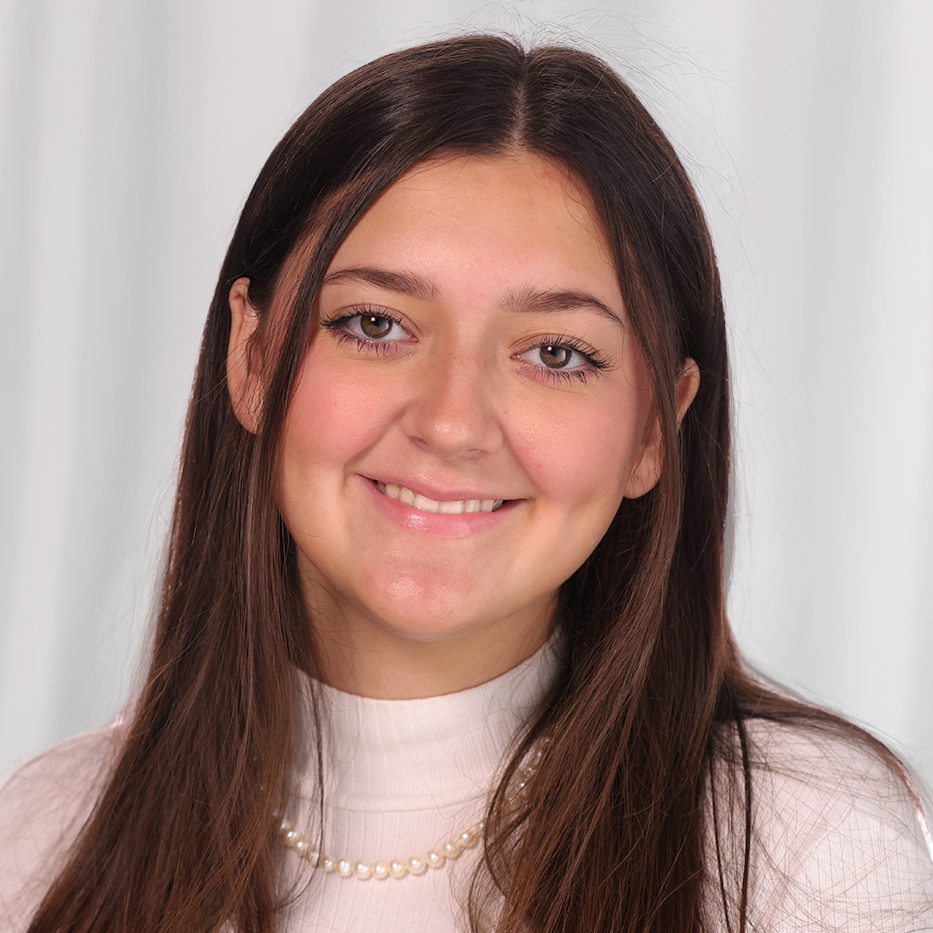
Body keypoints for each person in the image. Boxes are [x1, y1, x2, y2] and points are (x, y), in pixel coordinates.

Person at [1, 34, 931, 933]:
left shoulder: (808, 853)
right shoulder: (42, 838)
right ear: (251, 358)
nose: (450, 423)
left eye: (555, 353)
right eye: (374, 324)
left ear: (655, 428)